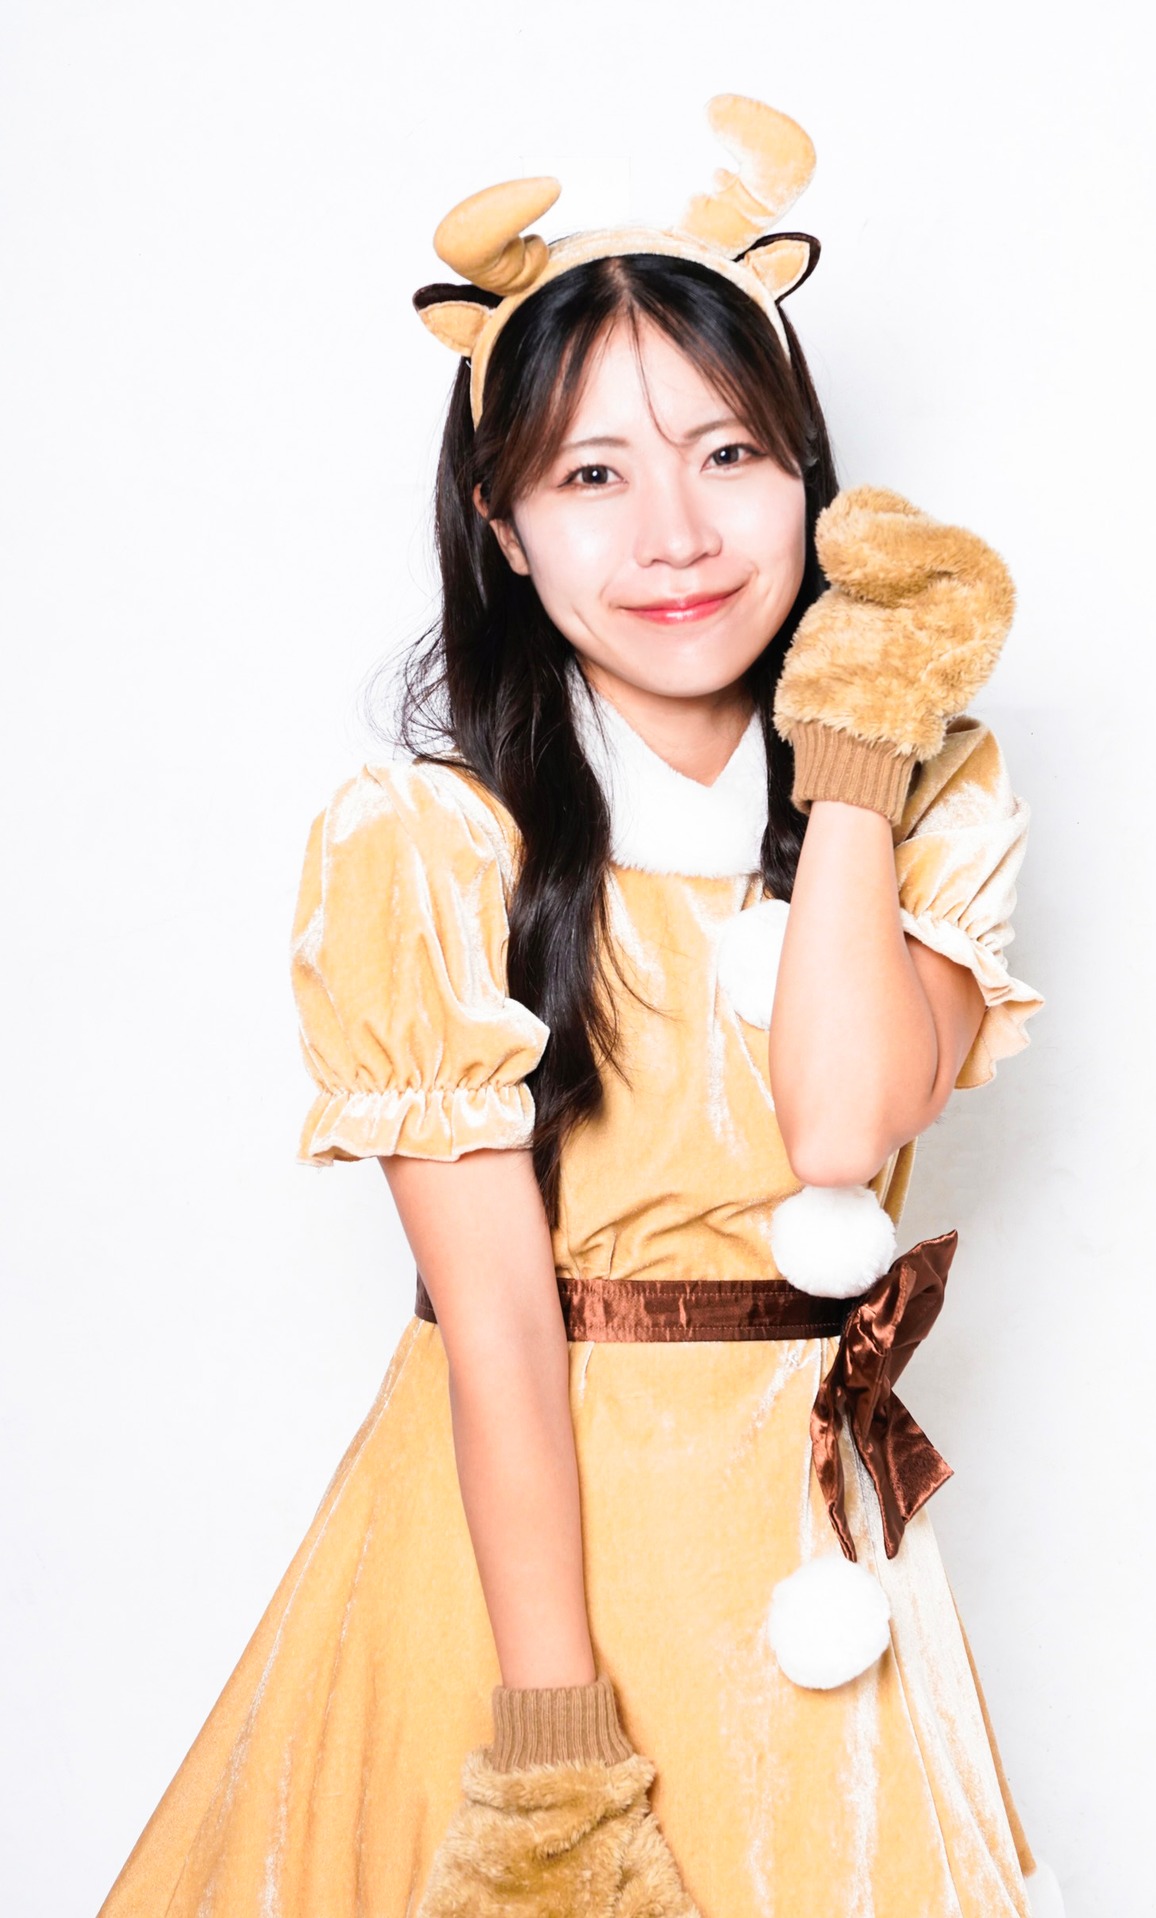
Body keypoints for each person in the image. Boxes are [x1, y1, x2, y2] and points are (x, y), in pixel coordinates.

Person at [97, 94, 1063, 1917]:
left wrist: (854, 753)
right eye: (592, 475)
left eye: (729, 453)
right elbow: (496, 1329)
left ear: (811, 479)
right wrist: (553, 1749)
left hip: (807, 1572)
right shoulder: (433, 845)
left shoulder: (924, 795)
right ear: (506, 526)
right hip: (528, 1575)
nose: (676, 531)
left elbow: (841, 1123)